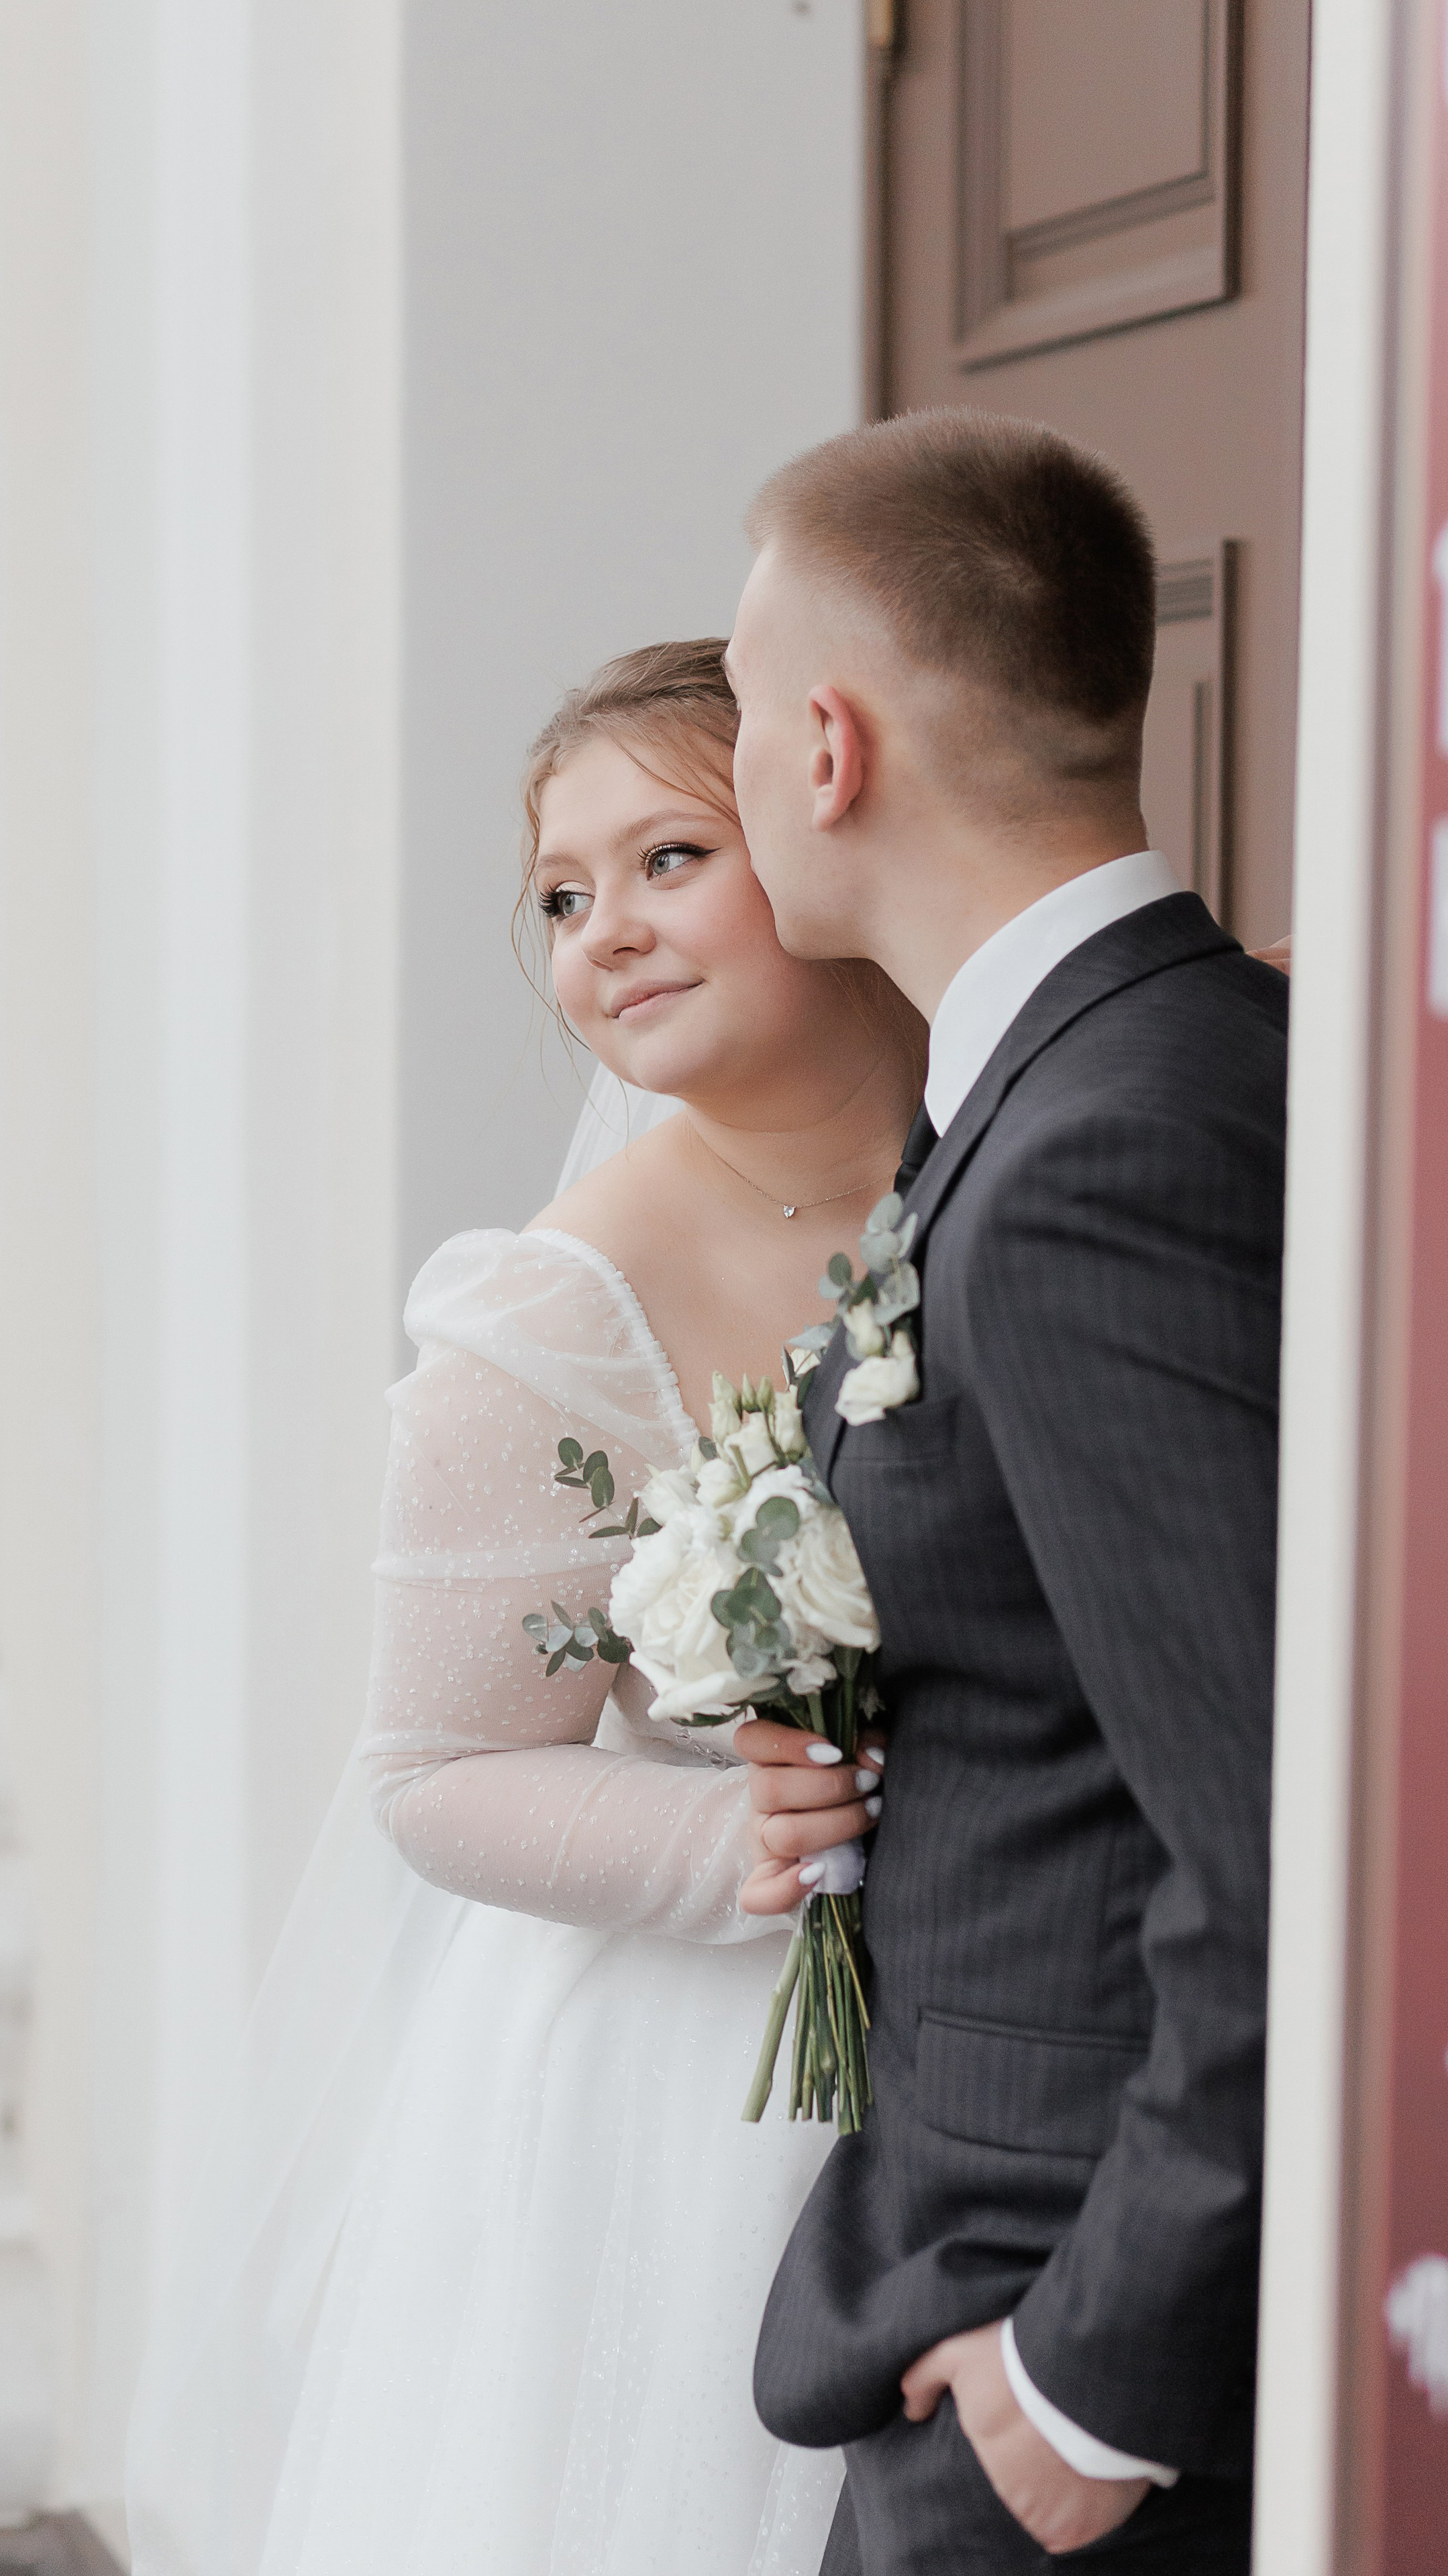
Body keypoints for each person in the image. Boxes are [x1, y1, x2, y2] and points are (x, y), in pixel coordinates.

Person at [125, 639, 926, 2576]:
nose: (607, 935)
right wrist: (738, 1835)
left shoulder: (1043, 1146)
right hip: (692, 2102)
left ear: (831, 846)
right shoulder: (548, 1313)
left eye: (669, 858)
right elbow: (433, 1772)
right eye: (563, 900)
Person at [725, 411, 1287, 2572]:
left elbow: (1276, 1833)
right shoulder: (1168, 1060)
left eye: (755, 716)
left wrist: (1094, 2378)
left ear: (833, 747)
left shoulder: (1092, 1159)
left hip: (1062, 2317)